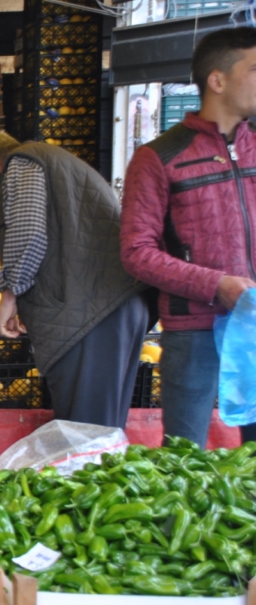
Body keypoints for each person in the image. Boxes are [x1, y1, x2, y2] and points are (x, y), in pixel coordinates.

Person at [121, 26, 256, 446]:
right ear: (217, 80)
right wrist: (216, 284)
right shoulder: (158, 158)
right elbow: (136, 251)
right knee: (185, 453)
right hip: (193, 329)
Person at [0, 132, 149, 428]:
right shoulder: (56, 163)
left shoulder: (22, 162)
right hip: (110, 306)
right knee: (104, 428)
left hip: (89, 314)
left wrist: (9, 297)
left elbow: (28, 233)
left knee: (86, 431)